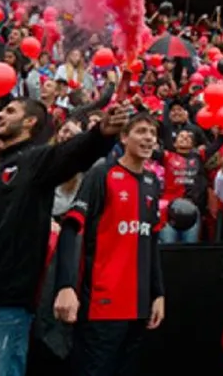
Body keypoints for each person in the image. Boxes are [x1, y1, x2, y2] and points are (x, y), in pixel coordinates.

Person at [0, 98, 132, 376]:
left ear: (29, 122)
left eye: (10, 111)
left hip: (5, 312)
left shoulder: (34, 161)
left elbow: (71, 154)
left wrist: (100, 134)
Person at [53, 112, 166, 376]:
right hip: (102, 307)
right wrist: (66, 286)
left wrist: (158, 292)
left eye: (152, 133)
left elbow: (150, 243)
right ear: (124, 137)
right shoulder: (101, 173)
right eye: (141, 131)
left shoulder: (152, 183)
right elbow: (71, 229)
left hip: (139, 307)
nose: (149, 138)